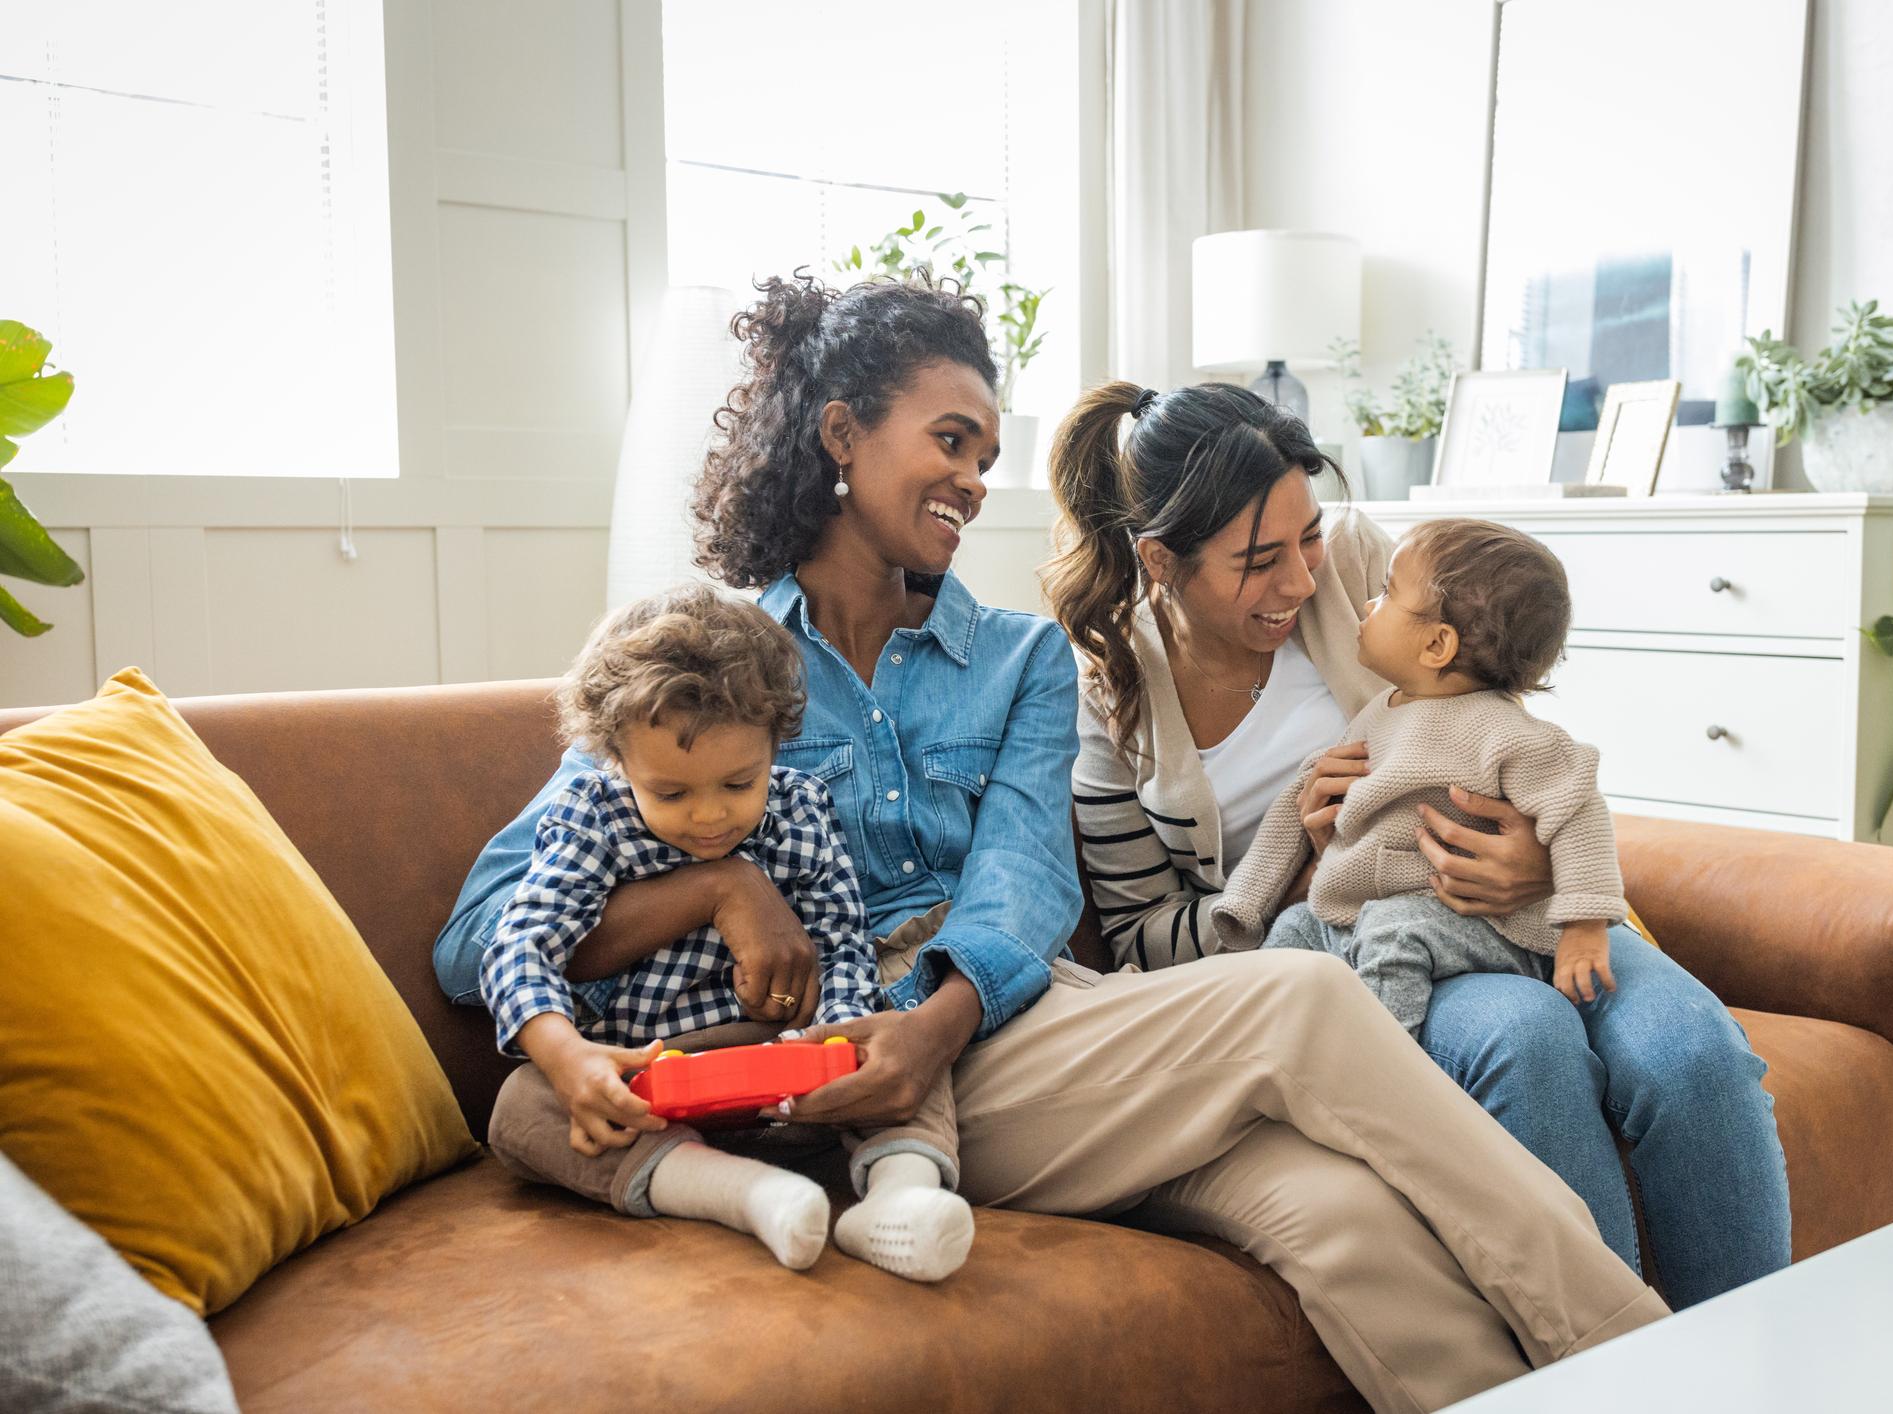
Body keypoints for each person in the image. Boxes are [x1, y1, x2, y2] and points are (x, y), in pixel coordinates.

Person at [436, 271, 1663, 1413]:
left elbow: (1024, 881)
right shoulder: (701, 661)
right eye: (950, 440)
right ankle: (1657, 1366)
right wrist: (726, 881)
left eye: (986, 453)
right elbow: (478, 932)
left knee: (1338, 1213)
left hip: (990, 1040)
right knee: (1302, 1004)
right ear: (839, 436)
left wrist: (929, 1027)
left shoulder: (1021, 660)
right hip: (816, 1078)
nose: (973, 479)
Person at [1049, 378, 1791, 1309]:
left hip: (1519, 907)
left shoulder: (1365, 563)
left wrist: (1537, 857)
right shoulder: (1105, 693)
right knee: (1529, 1041)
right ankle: (1617, 1370)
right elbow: (1138, 941)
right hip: (1363, 950)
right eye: (1258, 560)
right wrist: (1299, 878)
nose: (1303, 581)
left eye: (1308, 536)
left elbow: (1496, 728)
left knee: (1693, 1054)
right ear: (1162, 560)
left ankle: (1755, 1368)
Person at [475, 583, 972, 1280]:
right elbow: (520, 945)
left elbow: (841, 943)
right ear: (617, 760)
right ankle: (744, 1197)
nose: (710, 817)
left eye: (739, 784)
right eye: (672, 793)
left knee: (902, 1039)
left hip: (786, 1062)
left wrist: (842, 1040)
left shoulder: (801, 807)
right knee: (520, 1109)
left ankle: (901, 1198)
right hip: (658, 1076)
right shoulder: (593, 816)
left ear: (777, 743)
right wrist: (568, 1058)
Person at [1213, 518, 1626, 1029]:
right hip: (1354, 910)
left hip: (1475, 921)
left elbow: (1579, 811)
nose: (1368, 604)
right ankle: (1273, 1072)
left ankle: (1385, 1080)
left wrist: (1584, 925)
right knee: (1292, 932)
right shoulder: (1379, 712)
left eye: (1386, 594)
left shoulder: (1505, 731)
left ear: (1437, 645)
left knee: (1394, 930)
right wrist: (1245, 902)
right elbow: (1295, 806)